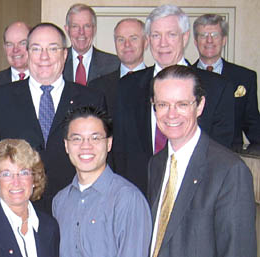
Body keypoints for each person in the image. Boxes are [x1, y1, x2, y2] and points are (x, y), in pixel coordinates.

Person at [0, 22, 106, 215]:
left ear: (64, 55)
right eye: (36, 49)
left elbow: (102, 162)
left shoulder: (91, 98)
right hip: (17, 213)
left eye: (52, 49)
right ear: (27, 54)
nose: (44, 57)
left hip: (77, 211)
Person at [112, 4, 235, 195]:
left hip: (196, 198)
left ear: (185, 37)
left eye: (171, 34)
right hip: (138, 197)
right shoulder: (126, 87)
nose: (163, 43)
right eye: (156, 35)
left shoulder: (217, 88)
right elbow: (119, 152)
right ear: (148, 40)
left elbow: (221, 152)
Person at [148, 65, 256, 257]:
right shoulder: (156, 164)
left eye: (182, 104)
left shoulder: (229, 171)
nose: (171, 114)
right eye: (163, 104)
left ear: (200, 105)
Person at [53, 106, 151, 257]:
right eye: (77, 139)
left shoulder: (127, 199)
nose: (86, 146)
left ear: (109, 143)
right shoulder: (60, 201)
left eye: (95, 138)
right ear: (66, 145)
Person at [193, 14, 260, 145]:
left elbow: (253, 126)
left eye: (215, 35)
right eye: (203, 35)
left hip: (231, 157)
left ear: (224, 40)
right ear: (195, 41)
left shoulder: (245, 77)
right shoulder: (183, 76)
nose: (209, 40)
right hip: (192, 159)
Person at [89, 18, 147, 115]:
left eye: (133, 38)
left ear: (146, 42)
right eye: (121, 39)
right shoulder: (97, 87)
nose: (127, 44)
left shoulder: (158, 82)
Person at [63, 3, 119, 85]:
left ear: (94, 29)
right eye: (75, 26)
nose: (81, 32)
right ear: (67, 29)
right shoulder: (56, 62)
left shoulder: (114, 64)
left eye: (87, 26)